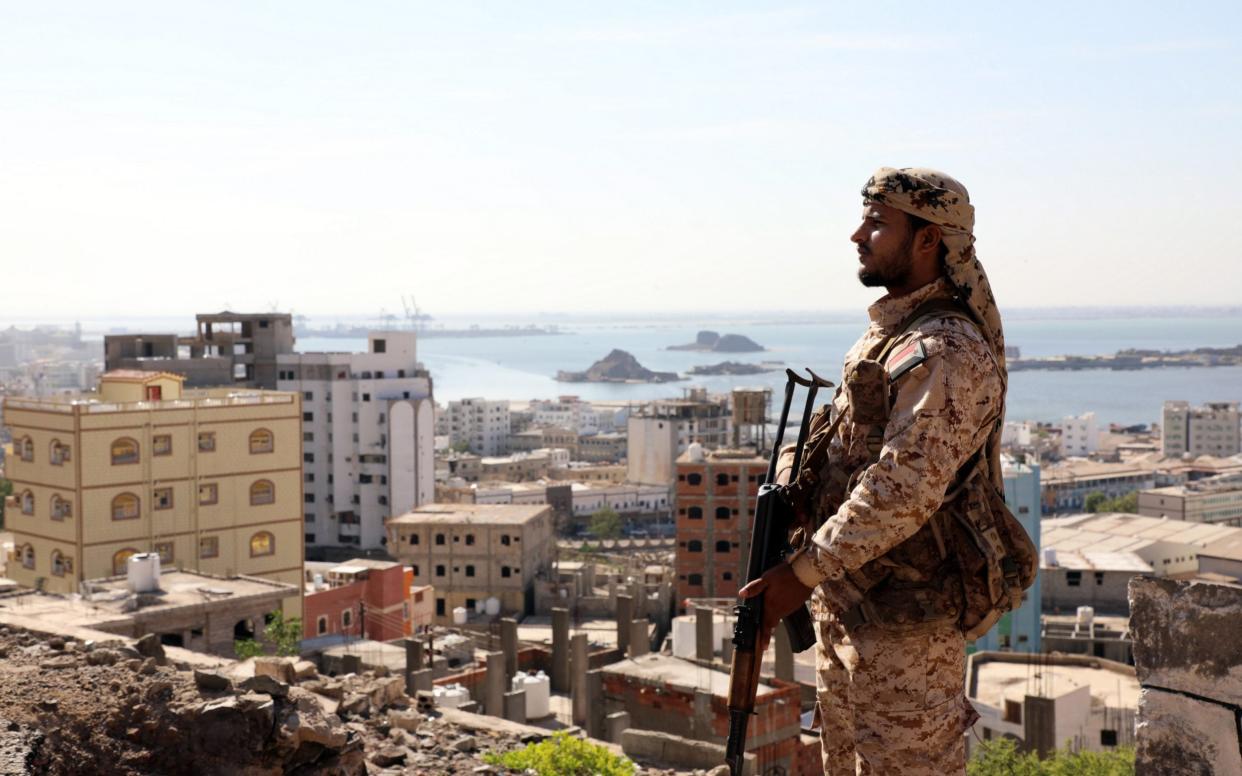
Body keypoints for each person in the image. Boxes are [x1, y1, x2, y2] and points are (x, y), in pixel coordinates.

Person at [738, 167, 1007, 775]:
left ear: (929, 239)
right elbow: (835, 436)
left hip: (906, 625)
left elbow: (904, 488)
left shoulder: (945, 350)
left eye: (878, 223)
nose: (858, 235)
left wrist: (800, 574)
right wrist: (793, 481)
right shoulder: (888, 337)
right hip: (852, 607)